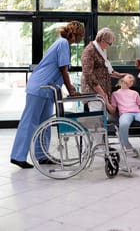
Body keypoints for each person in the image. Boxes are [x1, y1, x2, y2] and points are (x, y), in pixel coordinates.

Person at [10, 21, 85, 169]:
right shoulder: (63, 43)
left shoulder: (63, 44)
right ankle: (17, 156)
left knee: (44, 124)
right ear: (76, 34)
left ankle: (42, 155)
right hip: (39, 87)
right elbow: (63, 69)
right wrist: (71, 90)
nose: (83, 37)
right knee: (30, 122)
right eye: (82, 34)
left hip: (48, 89)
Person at [106, 74, 140, 157]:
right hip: (125, 114)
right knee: (124, 124)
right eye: (129, 77)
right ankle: (127, 145)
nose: (131, 80)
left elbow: (139, 107)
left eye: (133, 81)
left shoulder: (135, 93)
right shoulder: (115, 94)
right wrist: (106, 101)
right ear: (122, 79)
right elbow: (113, 110)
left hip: (137, 112)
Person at [81, 27, 125, 111]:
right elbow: (88, 74)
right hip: (93, 92)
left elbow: (107, 69)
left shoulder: (102, 50)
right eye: (110, 43)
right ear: (103, 40)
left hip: (102, 91)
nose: (110, 45)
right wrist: (100, 91)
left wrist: (120, 75)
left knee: (102, 118)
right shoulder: (90, 51)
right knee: (97, 118)